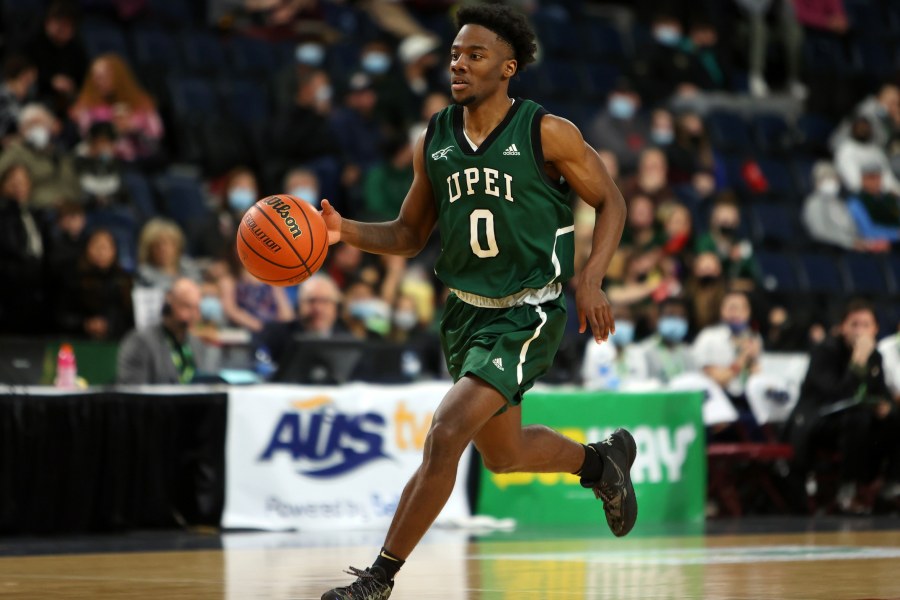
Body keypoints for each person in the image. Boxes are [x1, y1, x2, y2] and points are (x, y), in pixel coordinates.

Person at [318, 6, 634, 599]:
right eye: (456, 54)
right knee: (504, 455)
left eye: (476, 55)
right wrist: (345, 231)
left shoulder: (546, 131)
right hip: (464, 312)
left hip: (529, 310)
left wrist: (591, 278)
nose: (459, 64)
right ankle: (601, 464)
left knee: (445, 431)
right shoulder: (434, 138)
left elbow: (611, 199)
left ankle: (378, 580)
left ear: (508, 68)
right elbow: (410, 235)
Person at [787, 299, 900, 513]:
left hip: (858, 422)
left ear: (875, 329)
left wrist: (885, 407)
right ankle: (846, 490)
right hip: (819, 422)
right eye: (854, 324)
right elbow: (836, 394)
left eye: (866, 325)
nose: (860, 331)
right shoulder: (825, 351)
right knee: (857, 418)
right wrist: (857, 362)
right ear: (842, 327)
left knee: (893, 417)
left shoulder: (875, 357)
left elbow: (881, 393)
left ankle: (891, 485)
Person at [117, 277, 217, 384]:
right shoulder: (140, 342)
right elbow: (133, 391)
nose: (194, 315)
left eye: (197, 308)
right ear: (168, 306)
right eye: (186, 307)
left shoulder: (196, 343)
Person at [70, 53, 165, 163]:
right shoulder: (87, 105)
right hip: (104, 163)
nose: (98, 82)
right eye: (94, 77)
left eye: (103, 76)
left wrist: (134, 128)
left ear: (118, 76)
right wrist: (111, 130)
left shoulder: (141, 103)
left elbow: (156, 135)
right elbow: (85, 134)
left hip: (141, 162)